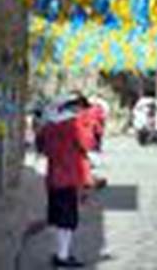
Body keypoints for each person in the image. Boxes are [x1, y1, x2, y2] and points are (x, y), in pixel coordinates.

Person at [38, 96, 93, 268]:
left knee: (60, 217)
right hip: (69, 175)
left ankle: (61, 252)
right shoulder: (74, 124)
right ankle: (63, 256)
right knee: (68, 219)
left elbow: (41, 146)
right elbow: (88, 143)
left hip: (54, 176)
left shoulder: (49, 125)